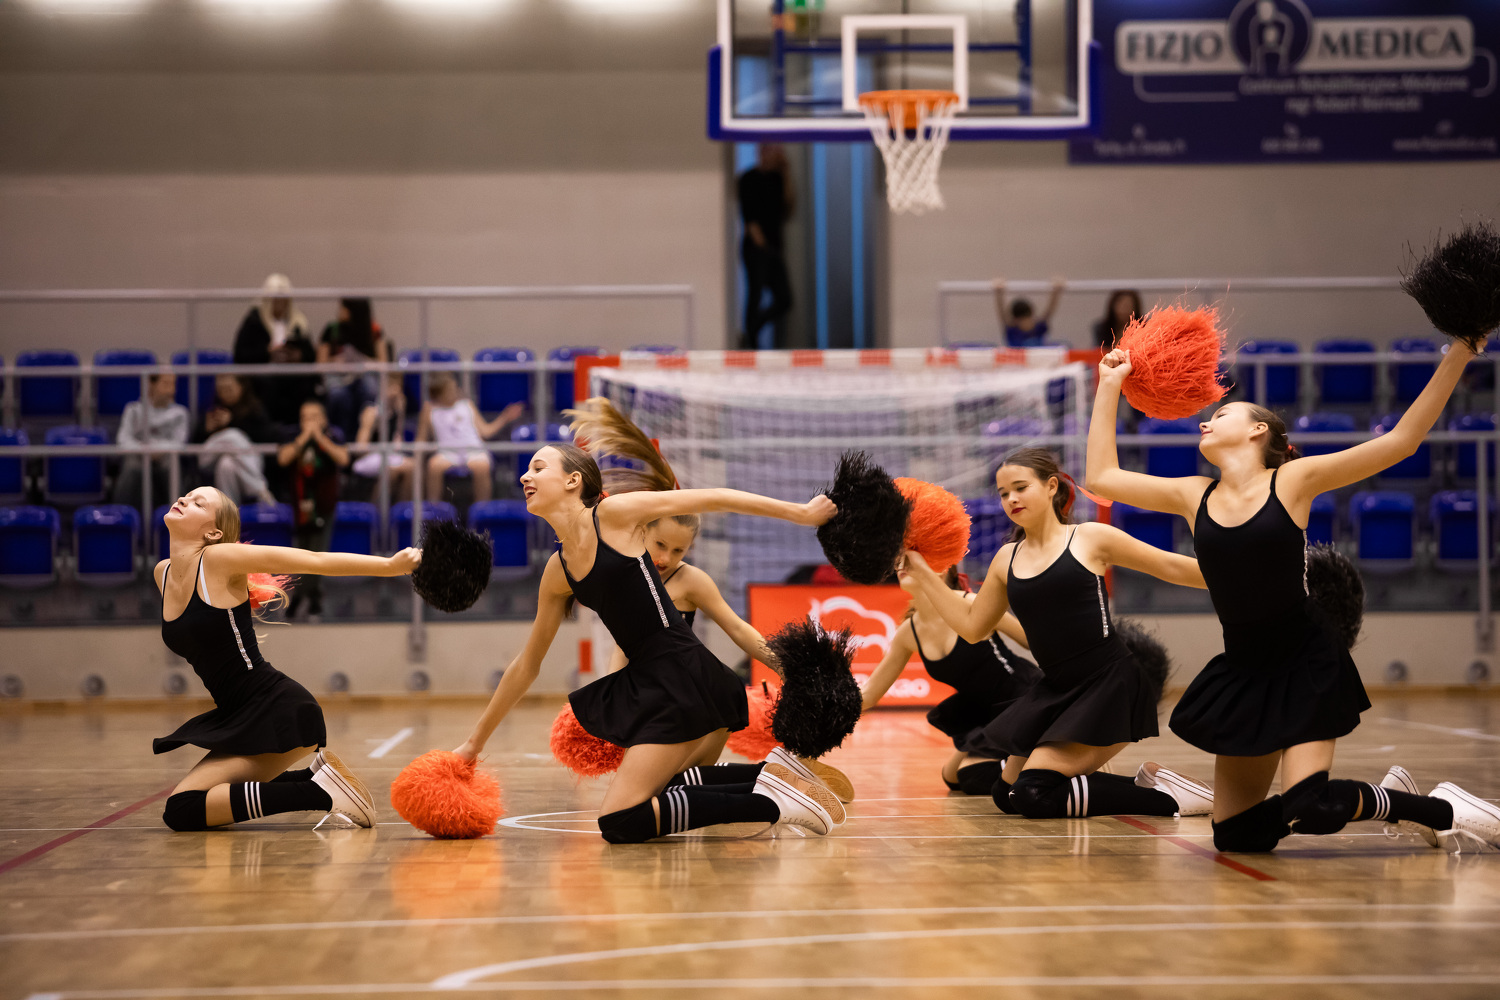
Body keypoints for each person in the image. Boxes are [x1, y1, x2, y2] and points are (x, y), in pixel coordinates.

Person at [1086, 342, 1500, 852]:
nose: (1205, 422)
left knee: (1312, 805)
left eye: (1222, 414)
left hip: (1304, 659)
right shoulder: (1193, 494)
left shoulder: (1293, 480)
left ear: (1258, 430)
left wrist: (1459, 353)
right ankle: (1385, 795)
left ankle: (1442, 810)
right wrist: (1109, 384)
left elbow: (1402, 441)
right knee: (1236, 836)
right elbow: (1100, 479)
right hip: (1245, 670)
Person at [453, 443, 847, 842]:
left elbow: (714, 497)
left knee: (620, 820)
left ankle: (776, 803)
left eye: (538, 468)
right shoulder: (557, 571)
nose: (525, 476)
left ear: (573, 480)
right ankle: (771, 775)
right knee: (668, 791)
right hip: (651, 682)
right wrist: (472, 745)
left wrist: (800, 513)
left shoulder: (613, 515)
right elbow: (526, 665)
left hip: (680, 675)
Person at [898, 448, 1215, 820]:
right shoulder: (1006, 558)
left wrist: (1247, 572)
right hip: (1055, 689)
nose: (1011, 499)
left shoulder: (1090, 537)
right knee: (1005, 794)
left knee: (1033, 793)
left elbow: (1172, 568)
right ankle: (1137, 784)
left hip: (1109, 684)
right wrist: (923, 572)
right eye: (1003, 493)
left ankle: (1167, 797)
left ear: (1051, 486)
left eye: (1020, 488)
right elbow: (972, 628)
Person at [153, 485, 421, 832]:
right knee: (186, 806)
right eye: (187, 496)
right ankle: (315, 779)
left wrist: (389, 565)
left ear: (214, 533)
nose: (183, 499)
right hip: (239, 715)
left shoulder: (219, 560)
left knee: (182, 809)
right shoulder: (162, 573)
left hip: (275, 710)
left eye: (198, 503)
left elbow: (313, 559)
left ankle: (319, 793)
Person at [862, 566, 1039, 795]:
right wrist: (825, 710)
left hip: (1020, 698)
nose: (900, 566)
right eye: (899, 561)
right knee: (952, 777)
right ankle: (1031, 757)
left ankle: (1046, 763)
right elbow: (869, 694)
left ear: (940, 568)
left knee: (972, 775)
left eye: (911, 559)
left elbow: (1031, 640)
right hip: (985, 713)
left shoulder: (971, 603)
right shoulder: (909, 632)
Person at [276, 399, 349, 620]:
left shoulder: (333, 435)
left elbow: (343, 458)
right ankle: (314, 596)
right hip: (301, 507)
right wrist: (304, 437)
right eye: (304, 418)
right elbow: (283, 458)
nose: (309, 422)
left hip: (324, 506)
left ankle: (299, 597)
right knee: (301, 554)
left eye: (314, 417)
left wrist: (319, 438)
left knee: (317, 554)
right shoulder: (294, 437)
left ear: (324, 419)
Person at [416, 372, 523, 505]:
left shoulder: (466, 405)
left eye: (455, 388)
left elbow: (486, 431)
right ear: (438, 394)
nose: (455, 392)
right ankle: (434, 509)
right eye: (449, 390)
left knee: (482, 466)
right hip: (446, 453)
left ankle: (481, 509)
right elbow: (421, 439)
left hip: (473, 450)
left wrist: (505, 417)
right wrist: (417, 457)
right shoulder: (429, 409)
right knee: (433, 466)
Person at [232, 273, 318, 429]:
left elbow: (310, 354)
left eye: (283, 301)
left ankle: (300, 427)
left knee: (305, 384)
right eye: (276, 301)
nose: (280, 305)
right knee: (267, 386)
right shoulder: (254, 321)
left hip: (292, 375)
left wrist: (298, 355)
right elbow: (241, 355)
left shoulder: (298, 322)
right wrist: (267, 352)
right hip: (263, 375)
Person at [737, 144, 795, 350]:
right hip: (755, 247)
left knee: (784, 298)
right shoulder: (748, 178)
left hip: (774, 246)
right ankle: (751, 343)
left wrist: (786, 172)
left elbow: (789, 207)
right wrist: (761, 244)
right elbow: (749, 217)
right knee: (755, 294)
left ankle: (752, 329)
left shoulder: (778, 179)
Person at [191, 375, 279, 506]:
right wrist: (205, 430)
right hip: (207, 459)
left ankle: (229, 510)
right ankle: (260, 491)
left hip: (249, 461)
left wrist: (232, 422)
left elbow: (264, 438)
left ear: (241, 387)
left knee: (226, 464)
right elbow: (193, 446)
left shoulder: (254, 409)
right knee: (232, 436)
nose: (224, 393)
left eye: (229, 389)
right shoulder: (212, 409)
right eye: (221, 390)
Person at [318, 298, 393, 439]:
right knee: (339, 395)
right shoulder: (332, 329)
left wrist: (364, 362)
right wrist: (336, 362)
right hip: (338, 376)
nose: (340, 311)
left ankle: (364, 438)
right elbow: (320, 363)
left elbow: (383, 362)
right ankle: (340, 439)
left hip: (364, 375)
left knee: (369, 389)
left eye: (343, 308)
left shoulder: (374, 330)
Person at [112, 373, 190, 508]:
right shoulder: (133, 410)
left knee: (171, 462)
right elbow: (123, 440)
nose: (171, 390)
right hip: (139, 456)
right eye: (166, 384)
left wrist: (157, 450)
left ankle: (180, 513)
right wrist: (145, 450)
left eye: (173, 384)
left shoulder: (180, 413)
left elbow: (179, 443)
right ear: (151, 385)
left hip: (165, 457)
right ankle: (121, 512)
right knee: (132, 465)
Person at [351, 373, 411, 500]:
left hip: (389, 456)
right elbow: (360, 448)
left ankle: (402, 509)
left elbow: (397, 438)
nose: (396, 394)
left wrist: (400, 413)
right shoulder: (371, 412)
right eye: (391, 388)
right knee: (393, 470)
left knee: (412, 467)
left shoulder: (397, 410)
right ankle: (376, 508)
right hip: (369, 457)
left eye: (398, 389)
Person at [994, 278, 1064, 348]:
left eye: (1028, 320)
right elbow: (1002, 314)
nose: (1027, 324)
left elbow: (1049, 311)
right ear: (1015, 320)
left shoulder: (1039, 328)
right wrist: (998, 293)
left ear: (1032, 317)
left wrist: (1056, 292)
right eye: (1023, 321)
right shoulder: (1012, 331)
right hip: (1016, 354)